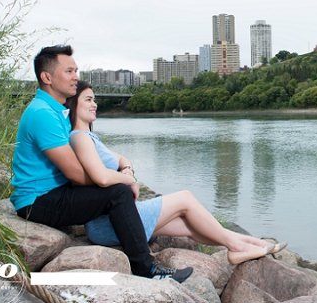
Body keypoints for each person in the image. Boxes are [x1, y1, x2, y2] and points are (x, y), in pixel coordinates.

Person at [10, 45, 192, 282]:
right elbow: (76, 173)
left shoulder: (56, 112)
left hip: (52, 193)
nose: (76, 77)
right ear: (47, 77)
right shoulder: (42, 114)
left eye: (76, 70)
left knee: (114, 189)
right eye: (69, 71)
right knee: (116, 193)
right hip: (37, 201)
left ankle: (136, 241)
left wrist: (117, 171)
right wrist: (118, 179)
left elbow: (90, 160)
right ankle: (146, 269)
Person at [65, 80, 287, 265]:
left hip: (122, 214)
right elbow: (100, 177)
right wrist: (129, 181)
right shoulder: (78, 137)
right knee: (185, 199)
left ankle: (249, 243)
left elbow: (122, 159)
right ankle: (238, 247)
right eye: (88, 99)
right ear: (74, 104)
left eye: (94, 99)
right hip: (109, 223)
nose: (94, 104)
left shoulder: (90, 137)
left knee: (188, 225)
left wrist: (127, 170)